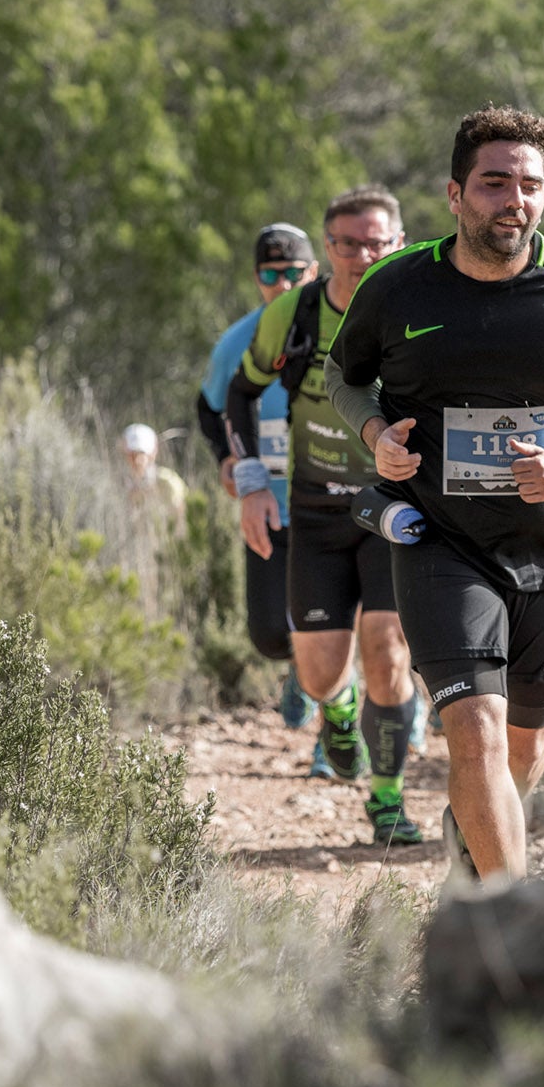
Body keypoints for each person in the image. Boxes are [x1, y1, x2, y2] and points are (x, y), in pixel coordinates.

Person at [326, 106, 544, 883]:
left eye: (530, 185)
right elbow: (346, 375)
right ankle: (511, 925)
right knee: (475, 733)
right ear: (455, 193)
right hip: (443, 543)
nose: (515, 200)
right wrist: (378, 437)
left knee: (525, 750)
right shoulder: (398, 285)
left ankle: (472, 850)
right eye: (495, 182)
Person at [226, 187, 427, 845]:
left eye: (376, 243)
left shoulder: (421, 306)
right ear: (328, 246)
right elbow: (240, 393)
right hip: (314, 506)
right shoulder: (293, 314)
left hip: (391, 505)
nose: (361, 256)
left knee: (388, 650)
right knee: (317, 671)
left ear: (398, 242)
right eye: (346, 243)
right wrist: (252, 480)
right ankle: (336, 711)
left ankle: (388, 801)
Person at [196, 224, 322, 735]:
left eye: (295, 272)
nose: (284, 283)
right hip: (266, 501)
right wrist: (228, 460)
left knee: (337, 622)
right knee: (271, 634)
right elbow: (210, 410)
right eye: (272, 273)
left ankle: (336, 720)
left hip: (329, 499)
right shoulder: (236, 341)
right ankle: (302, 667)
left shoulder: (339, 328)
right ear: (257, 278)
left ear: (313, 272)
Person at [121, 422, 186, 520]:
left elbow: (182, 522)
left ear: (153, 453)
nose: (137, 460)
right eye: (132, 454)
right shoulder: (120, 484)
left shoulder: (168, 481)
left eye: (142, 454)